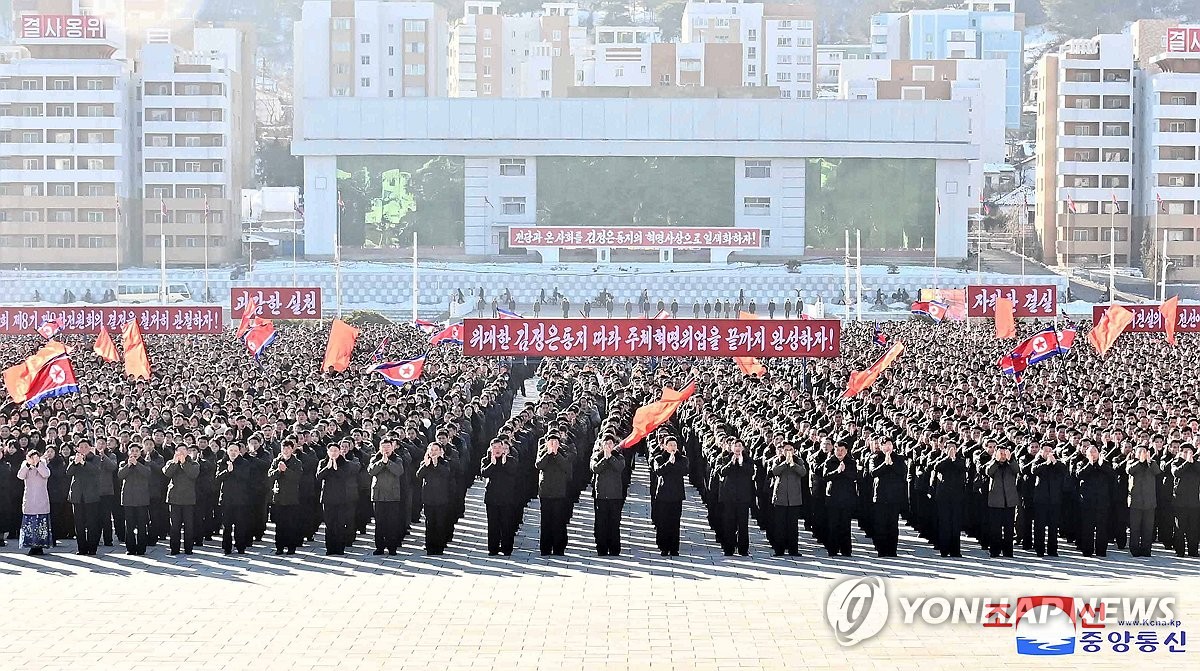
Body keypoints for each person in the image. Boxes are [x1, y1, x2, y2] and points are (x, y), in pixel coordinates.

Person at [318, 444, 359, 556]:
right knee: (329, 524)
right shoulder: (323, 462)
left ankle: (340, 548)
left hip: (342, 498)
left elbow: (345, 476)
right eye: (331, 451)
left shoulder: (345, 463)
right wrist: (328, 467)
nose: (334, 453)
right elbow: (319, 476)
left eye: (336, 450)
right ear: (328, 452)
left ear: (340, 452)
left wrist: (336, 467)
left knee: (340, 523)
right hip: (327, 498)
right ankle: (330, 548)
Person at [367, 440, 406, 556]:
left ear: (392, 448)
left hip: (392, 495)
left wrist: (388, 463)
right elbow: (371, 471)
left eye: (388, 447)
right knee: (379, 523)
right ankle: (379, 547)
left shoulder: (397, 459)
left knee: (392, 523)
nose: (386, 449)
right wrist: (381, 463)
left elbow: (399, 471)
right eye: (383, 447)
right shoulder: (375, 458)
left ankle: (392, 547)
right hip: (378, 495)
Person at [480, 440, 519, 556]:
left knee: (507, 524)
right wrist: (492, 464)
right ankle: (493, 548)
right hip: (492, 497)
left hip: (507, 497)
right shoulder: (486, 460)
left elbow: (513, 471)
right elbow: (484, 473)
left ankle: (507, 548)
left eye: (499, 447)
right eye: (494, 447)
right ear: (491, 449)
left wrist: (504, 463)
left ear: (503, 449)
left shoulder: (511, 459)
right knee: (493, 524)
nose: (497, 449)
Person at [651, 437, 688, 557]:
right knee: (663, 522)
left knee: (675, 522)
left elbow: (684, 470)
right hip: (663, 494)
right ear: (665, 447)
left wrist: (674, 463)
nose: (673, 447)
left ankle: (674, 548)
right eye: (670, 445)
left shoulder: (682, 459)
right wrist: (668, 463)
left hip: (676, 495)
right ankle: (663, 547)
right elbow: (658, 471)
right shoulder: (659, 458)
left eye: (674, 445)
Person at [869, 439, 906, 557]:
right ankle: (881, 550)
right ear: (880, 446)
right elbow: (873, 473)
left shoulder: (899, 458)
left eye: (889, 445)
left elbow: (902, 472)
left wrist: (892, 464)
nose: (887, 447)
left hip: (894, 496)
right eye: (884, 445)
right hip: (880, 495)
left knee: (893, 524)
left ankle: (892, 550)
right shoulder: (875, 458)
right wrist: (885, 464)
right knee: (880, 523)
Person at [535, 435, 571, 556]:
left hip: (559, 492)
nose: (553, 444)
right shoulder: (542, 451)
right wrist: (548, 454)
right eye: (550, 442)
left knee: (559, 521)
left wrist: (556, 454)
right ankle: (545, 548)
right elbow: (539, 465)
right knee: (546, 522)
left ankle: (559, 548)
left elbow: (566, 466)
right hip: (545, 491)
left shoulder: (563, 452)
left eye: (555, 442)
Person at [768, 442, 806, 557]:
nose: (788, 451)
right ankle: (779, 550)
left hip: (794, 498)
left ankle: (793, 549)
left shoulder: (799, 460)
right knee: (780, 525)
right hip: (780, 497)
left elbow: (803, 472)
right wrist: (785, 463)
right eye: (786, 449)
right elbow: (774, 471)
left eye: (790, 449)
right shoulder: (777, 460)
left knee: (793, 526)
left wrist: (793, 464)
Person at [66, 439, 103, 555]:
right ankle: (81, 548)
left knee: (92, 523)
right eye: (80, 447)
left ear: (90, 448)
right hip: (77, 496)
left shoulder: (96, 459)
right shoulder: (73, 459)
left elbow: (96, 471)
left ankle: (92, 548)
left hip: (91, 495)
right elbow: (68, 472)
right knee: (79, 524)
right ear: (77, 449)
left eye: (85, 447)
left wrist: (84, 463)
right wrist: (75, 463)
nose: (83, 449)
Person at [590, 436, 626, 556]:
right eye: (606, 444)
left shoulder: (619, 457)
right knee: (601, 523)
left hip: (615, 496)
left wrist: (610, 458)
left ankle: (614, 549)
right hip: (601, 495)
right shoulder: (596, 456)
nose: (608, 446)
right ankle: (602, 548)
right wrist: (605, 459)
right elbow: (595, 468)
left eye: (610, 444)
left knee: (614, 523)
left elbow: (620, 467)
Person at [1075, 445, 1113, 557]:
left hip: (1102, 500)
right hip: (1087, 500)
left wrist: (1101, 465)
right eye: (1090, 452)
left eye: (1095, 451)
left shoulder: (1104, 463)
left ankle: (1101, 550)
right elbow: (1079, 475)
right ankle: (1087, 550)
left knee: (1102, 527)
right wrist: (1090, 464)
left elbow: (1112, 475)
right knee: (1087, 527)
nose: (1093, 454)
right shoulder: (1082, 463)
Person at [215, 444, 253, 555]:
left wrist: (233, 470)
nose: (233, 452)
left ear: (239, 452)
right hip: (226, 498)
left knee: (240, 524)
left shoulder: (244, 463)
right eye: (231, 450)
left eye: (235, 450)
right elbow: (217, 479)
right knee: (227, 525)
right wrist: (227, 471)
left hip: (240, 499)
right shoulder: (221, 463)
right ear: (227, 451)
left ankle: (241, 547)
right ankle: (227, 548)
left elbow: (245, 477)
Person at [1030, 445, 1067, 558]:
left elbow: (1064, 470)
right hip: (1041, 499)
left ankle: (1052, 549)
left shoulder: (1058, 462)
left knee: (1053, 526)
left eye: (1050, 450)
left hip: (1055, 499)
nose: (1048, 453)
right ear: (1041, 452)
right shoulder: (1038, 461)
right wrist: (1046, 463)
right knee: (1039, 525)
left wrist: (1054, 462)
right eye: (1046, 450)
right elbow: (1034, 471)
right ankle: (1039, 549)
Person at [417, 443, 454, 555]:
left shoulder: (445, 463)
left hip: (442, 497)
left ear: (440, 451)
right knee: (429, 523)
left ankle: (439, 546)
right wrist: (426, 465)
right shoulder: (425, 463)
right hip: (428, 497)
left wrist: (436, 464)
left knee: (440, 523)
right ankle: (429, 546)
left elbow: (446, 474)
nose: (433, 452)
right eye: (431, 450)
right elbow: (419, 475)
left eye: (436, 450)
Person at [267, 441, 303, 555]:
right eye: (284, 448)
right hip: (278, 497)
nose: (286, 450)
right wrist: (278, 470)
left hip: (291, 497)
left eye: (288, 448)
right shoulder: (276, 461)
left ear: (292, 449)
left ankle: (291, 547)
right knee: (279, 524)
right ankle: (279, 547)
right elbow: (270, 476)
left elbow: (297, 477)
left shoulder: (296, 462)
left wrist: (286, 471)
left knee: (291, 524)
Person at [931, 443, 966, 557]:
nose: (952, 450)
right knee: (944, 522)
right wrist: (948, 458)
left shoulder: (960, 459)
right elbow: (937, 467)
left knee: (955, 523)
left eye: (954, 448)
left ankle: (955, 550)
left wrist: (954, 459)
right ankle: (944, 549)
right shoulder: (941, 459)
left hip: (957, 496)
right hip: (943, 496)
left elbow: (962, 468)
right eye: (949, 448)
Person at [822, 444, 858, 557]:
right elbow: (825, 476)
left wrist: (844, 471)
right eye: (837, 450)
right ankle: (832, 550)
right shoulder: (829, 462)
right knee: (833, 525)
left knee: (845, 525)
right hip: (833, 497)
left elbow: (854, 476)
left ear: (846, 451)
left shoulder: (851, 462)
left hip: (847, 498)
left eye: (842, 450)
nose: (840, 452)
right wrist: (837, 471)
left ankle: (846, 550)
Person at [163, 446, 200, 556]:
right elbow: (167, 473)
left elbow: (193, 474)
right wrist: (175, 463)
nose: (181, 452)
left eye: (184, 450)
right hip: (174, 498)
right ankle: (174, 548)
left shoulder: (194, 463)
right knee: (175, 526)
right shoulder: (171, 462)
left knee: (189, 525)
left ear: (188, 452)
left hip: (188, 499)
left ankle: (188, 548)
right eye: (179, 450)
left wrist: (184, 463)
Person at [117, 446, 152, 556]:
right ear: (128, 452)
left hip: (142, 498)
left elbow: (147, 474)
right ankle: (130, 548)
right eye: (132, 451)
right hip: (128, 498)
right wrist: (129, 465)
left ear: (140, 452)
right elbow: (120, 475)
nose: (134, 453)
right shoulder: (124, 463)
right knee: (129, 525)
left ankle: (141, 548)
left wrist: (137, 464)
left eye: (137, 451)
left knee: (142, 525)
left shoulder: (145, 463)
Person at [1127, 446, 1161, 557]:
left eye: (1144, 452)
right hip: (1135, 502)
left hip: (1149, 502)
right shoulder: (1131, 462)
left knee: (1148, 528)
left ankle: (1146, 550)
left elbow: (1157, 472)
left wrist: (1149, 461)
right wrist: (1140, 462)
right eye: (1140, 452)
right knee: (1135, 528)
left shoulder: (1152, 463)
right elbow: (1130, 471)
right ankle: (1134, 549)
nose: (1143, 454)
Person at [985, 446, 1019, 558]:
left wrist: (1011, 460)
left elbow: (1017, 470)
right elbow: (989, 472)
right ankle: (995, 551)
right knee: (995, 528)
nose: (1003, 456)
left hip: (1010, 501)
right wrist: (996, 460)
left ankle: (1008, 551)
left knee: (1009, 529)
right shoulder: (992, 463)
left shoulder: (1011, 464)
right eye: (1001, 453)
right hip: (996, 501)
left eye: (1005, 454)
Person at [17, 450, 52, 555]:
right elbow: (20, 475)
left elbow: (46, 474)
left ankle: (40, 546)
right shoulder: (25, 464)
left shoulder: (43, 463)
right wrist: (28, 465)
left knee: (41, 523)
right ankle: (31, 545)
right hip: (29, 499)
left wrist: (38, 464)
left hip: (41, 499)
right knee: (30, 524)